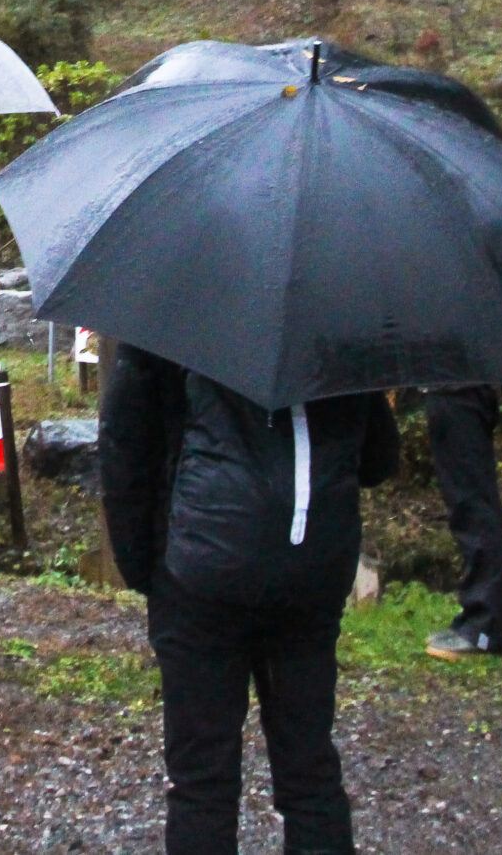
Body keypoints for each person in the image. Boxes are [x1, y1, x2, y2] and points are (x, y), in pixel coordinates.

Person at [99, 339, 401, 855]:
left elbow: (126, 446)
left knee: (201, 781)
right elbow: (378, 459)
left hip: (200, 570)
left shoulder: (169, 315)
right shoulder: (343, 326)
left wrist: (145, 567)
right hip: (310, 568)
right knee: (309, 768)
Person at [421, 385, 502, 660]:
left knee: (472, 505)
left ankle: (486, 628)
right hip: (452, 387)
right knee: (468, 504)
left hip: (458, 388)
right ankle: (482, 618)